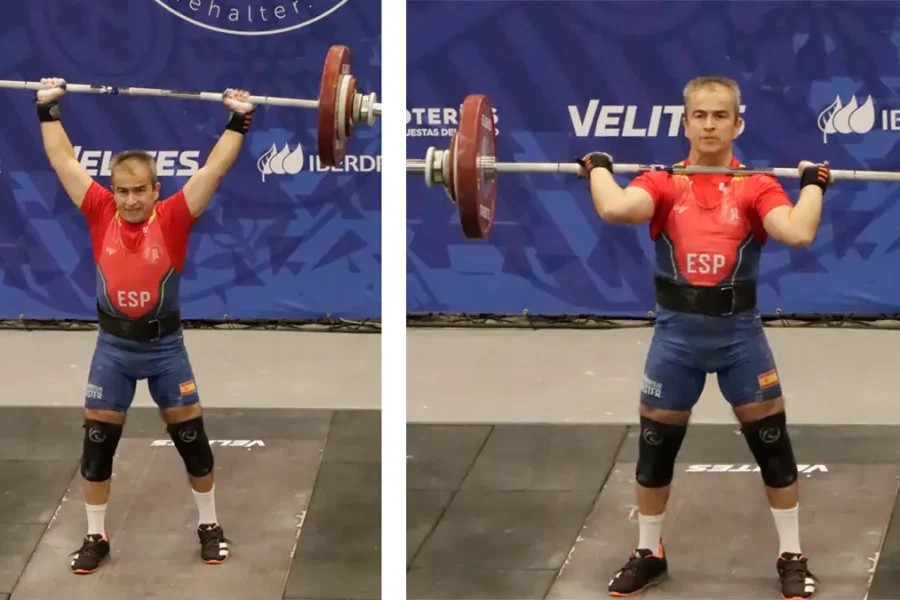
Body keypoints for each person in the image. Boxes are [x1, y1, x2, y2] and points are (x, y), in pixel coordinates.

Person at [576, 76, 829, 600]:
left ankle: (791, 555)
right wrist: (599, 170)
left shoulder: (757, 185)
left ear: (737, 123)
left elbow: (797, 232)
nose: (710, 124)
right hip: (676, 342)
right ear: (686, 121)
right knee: (655, 451)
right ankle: (650, 553)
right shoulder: (663, 182)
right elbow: (617, 210)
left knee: (773, 447)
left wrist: (813, 185)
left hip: (740, 340)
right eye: (700, 115)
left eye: (720, 116)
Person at [34, 77, 257, 574]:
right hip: (112, 349)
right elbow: (63, 161)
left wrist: (239, 117)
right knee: (96, 450)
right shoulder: (99, 211)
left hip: (164, 350)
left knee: (193, 444)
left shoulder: (173, 217)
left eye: (139, 191)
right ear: (112, 191)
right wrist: (47, 108)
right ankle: (96, 536)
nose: (130, 200)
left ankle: (209, 525)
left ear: (156, 189)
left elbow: (215, 169)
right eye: (122, 191)